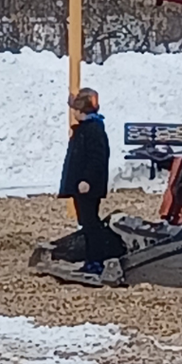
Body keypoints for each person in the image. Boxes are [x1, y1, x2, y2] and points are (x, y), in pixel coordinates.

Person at [58, 87, 111, 276]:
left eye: (75, 109)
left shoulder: (92, 130)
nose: (73, 112)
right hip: (83, 186)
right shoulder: (87, 129)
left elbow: (96, 158)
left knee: (90, 223)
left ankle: (96, 261)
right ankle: (92, 259)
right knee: (87, 222)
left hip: (87, 187)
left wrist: (87, 179)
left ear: (81, 110)